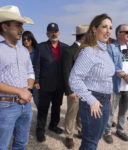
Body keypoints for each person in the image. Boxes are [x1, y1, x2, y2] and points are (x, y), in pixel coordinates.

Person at [69, 14, 115, 150]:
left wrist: (110, 96)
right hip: (93, 101)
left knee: (95, 139)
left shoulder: (106, 51)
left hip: (105, 101)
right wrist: (91, 100)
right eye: (104, 27)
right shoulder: (89, 51)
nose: (108, 31)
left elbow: (108, 77)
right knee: (90, 143)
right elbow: (74, 79)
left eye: (110, 28)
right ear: (94, 29)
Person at [0, 5, 35, 150]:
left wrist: (27, 91)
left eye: (22, 25)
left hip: (25, 105)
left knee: (21, 144)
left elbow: (30, 73)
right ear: (5, 27)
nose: (21, 29)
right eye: (18, 25)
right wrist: (20, 92)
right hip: (5, 106)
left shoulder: (23, 51)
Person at [34, 23, 68, 142]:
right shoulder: (40, 47)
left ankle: (53, 125)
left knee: (57, 107)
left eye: (56, 31)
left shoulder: (65, 47)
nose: (54, 33)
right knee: (43, 108)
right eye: (51, 31)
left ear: (59, 32)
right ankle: (40, 130)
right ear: (47, 34)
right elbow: (36, 65)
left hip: (59, 85)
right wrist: (36, 81)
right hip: (45, 84)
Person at [103, 24, 128, 144]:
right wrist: (124, 75)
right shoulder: (111, 48)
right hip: (115, 85)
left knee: (124, 110)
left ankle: (120, 130)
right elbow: (110, 65)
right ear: (119, 33)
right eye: (127, 32)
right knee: (111, 110)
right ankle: (107, 132)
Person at [62, 24, 89, 149]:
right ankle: (69, 136)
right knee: (72, 113)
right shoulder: (69, 50)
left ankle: (81, 131)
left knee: (82, 113)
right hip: (74, 89)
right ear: (83, 36)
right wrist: (69, 91)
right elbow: (66, 72)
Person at [22, 31, 39, 108]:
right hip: (24, 81)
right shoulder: (20, 51)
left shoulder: (37, 52)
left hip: (36, 81)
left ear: (32, 40)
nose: (26, 41)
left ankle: (41, 119)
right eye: (24, 39)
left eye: (28, 39)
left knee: (37, 100)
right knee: (24, 100)